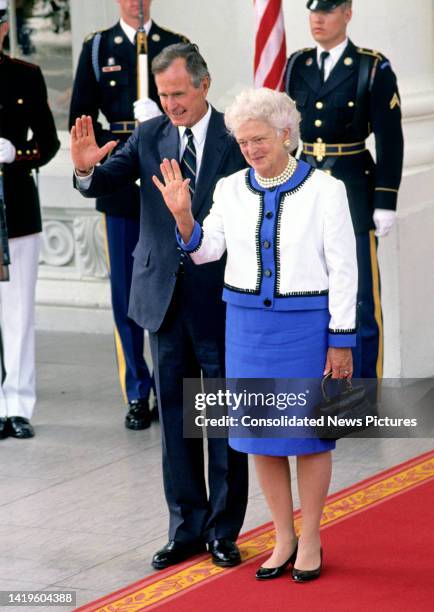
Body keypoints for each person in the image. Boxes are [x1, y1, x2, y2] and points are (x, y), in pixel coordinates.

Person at [155, 87, 357, 582]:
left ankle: (310, 536)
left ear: (287, 134)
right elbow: (206, 251)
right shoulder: (227, 189)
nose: (250, 149)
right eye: (243, 142)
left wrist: (341, 339)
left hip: (306, 329)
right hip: (246, 327)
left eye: (260, 139)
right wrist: (184, 216)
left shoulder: (326, 189)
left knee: (310, 439)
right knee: (260, 439)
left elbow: (345, 269)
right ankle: (281, 536)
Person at [71, 43, 248, 570]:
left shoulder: (234, 140)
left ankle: (222, 529)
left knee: (219, 419)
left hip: (217, 297)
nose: (170, 103)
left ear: (204, 84)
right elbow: (103, 179)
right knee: (174, 420)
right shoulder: (148, 136)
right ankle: (185, 528)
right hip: (163, 299)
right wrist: (84, 172)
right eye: (163, 94)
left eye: (179, 93)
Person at [69, 0, 189, 430]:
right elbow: (81, 119)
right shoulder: (99, 48)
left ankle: (172, 384)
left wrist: (160, 123)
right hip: (120, 180)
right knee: (126, 291)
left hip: (168, 179)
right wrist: (115, 151)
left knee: (176, 283)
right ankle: (138, 390)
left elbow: (192, 116)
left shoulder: (174, 45)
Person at [285, 0, 403, 380]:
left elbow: (390, 139)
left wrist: (385, 199)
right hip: (306, 189)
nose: (317, 19)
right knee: (312, 293)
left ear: (347, 13)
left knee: (360, 300)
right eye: (313, 12)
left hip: (353, 190)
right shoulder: (297, 64)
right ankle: (322, 384)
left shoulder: (372, 66)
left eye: (328, 11)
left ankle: (364, 393)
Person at [0, 0, 60, 439]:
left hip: (16, 207)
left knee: (18, 311)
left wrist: (16, 157)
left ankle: (17, 405)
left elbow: (49, 142)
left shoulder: (25, 75)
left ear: (4, 28)